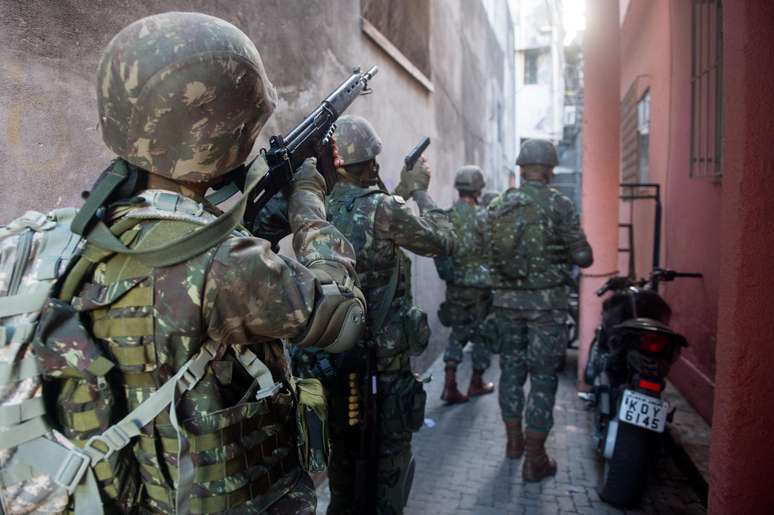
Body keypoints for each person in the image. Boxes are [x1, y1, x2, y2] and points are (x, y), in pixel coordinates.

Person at [44, 12, 365, 513]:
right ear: (228, 133)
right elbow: (344, 317)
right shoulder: (223, 264)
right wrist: (308, 201)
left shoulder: (60, 237)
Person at [292, 115, 457, 515]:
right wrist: (420, 193)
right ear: (370, 163)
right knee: (388, 462)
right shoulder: (383, 208)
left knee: (344, 460)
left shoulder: (318, 209)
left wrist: (399, 190)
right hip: (382, 366)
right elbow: (443, 242)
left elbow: (372, 221)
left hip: (335, 360)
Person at [485, 139, 593, 481]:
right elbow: (584, 257)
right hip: (547, 308)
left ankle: (513, 445)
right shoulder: (559, 205)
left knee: (511, 373)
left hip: (506, 304)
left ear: (521, 168)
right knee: (543, 378)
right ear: (549, 169)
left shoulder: (499, 205)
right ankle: (535, 460)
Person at [435, 165, 495, 404]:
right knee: (482, 335)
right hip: (482, 289)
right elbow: (495, 251)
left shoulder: (447, 216)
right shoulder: (486, 217)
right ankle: (476, 383)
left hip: (456, 287)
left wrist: (450, 275)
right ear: (479, 189)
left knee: (458, 332)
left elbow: (440, 252)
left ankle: (450, 385)